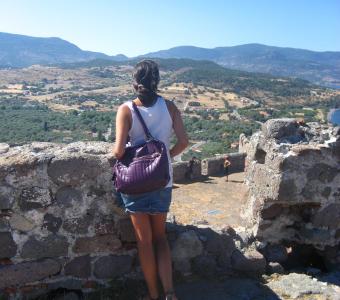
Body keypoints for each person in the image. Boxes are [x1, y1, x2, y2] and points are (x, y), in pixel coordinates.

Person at [113, 60, 188, 300]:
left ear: (134, 82)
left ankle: (154, 296)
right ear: (156, 81)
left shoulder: (126, 109)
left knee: (144, 242)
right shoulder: (170, 107)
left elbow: (117, 152)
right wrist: (165, 157)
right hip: (161, 181)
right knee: (160, 238)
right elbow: (184, 142)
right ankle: (170, 293)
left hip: (135, 183)